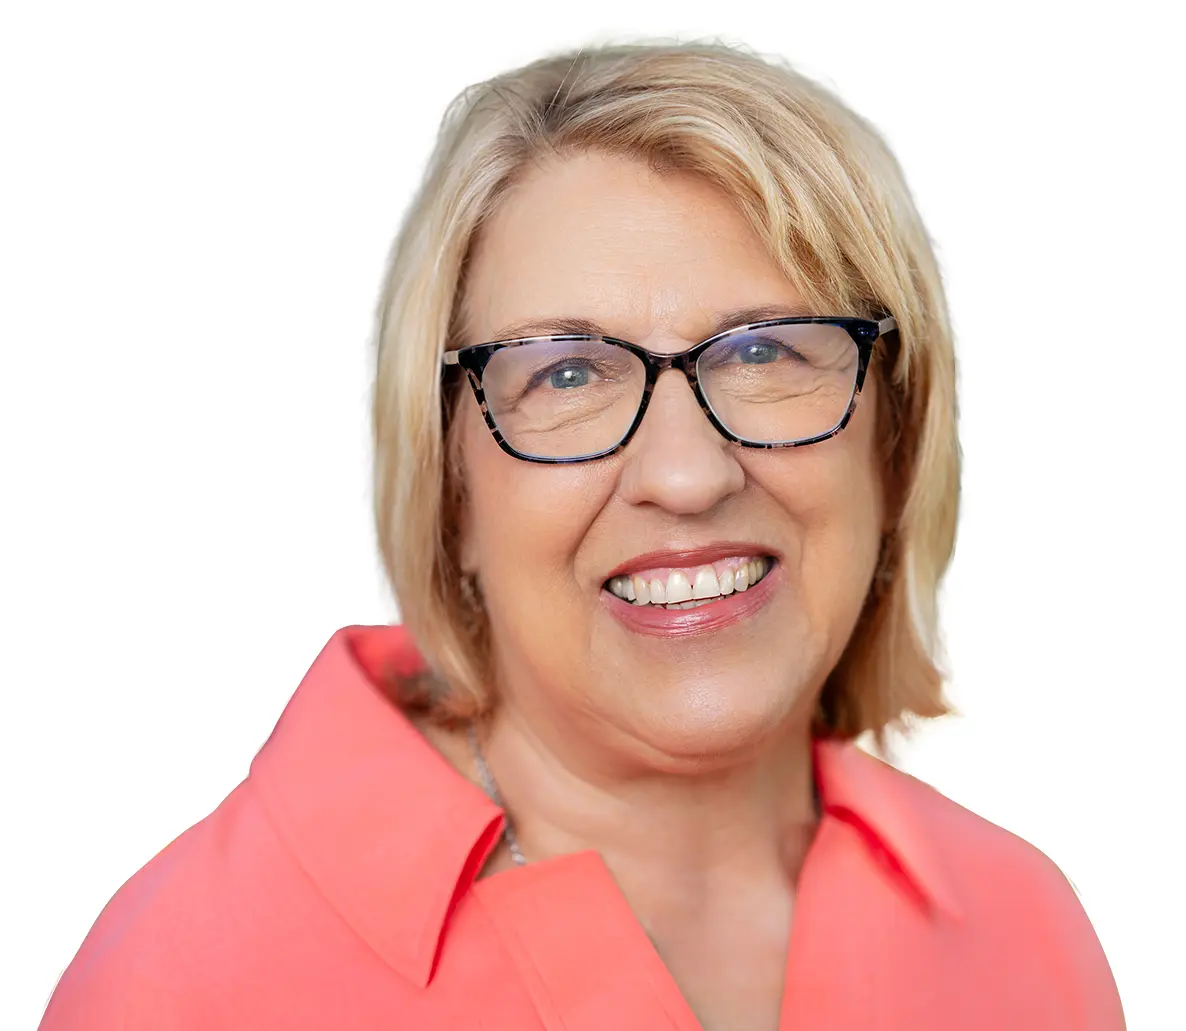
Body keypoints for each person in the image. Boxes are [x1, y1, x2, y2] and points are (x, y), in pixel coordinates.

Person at [39, 41, 1124, 1031]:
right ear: (452, 489)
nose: (689, 475)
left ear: (894, 440)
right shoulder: (183, 982)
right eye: (566, 373)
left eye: (767, 352)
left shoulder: (1021, 926)